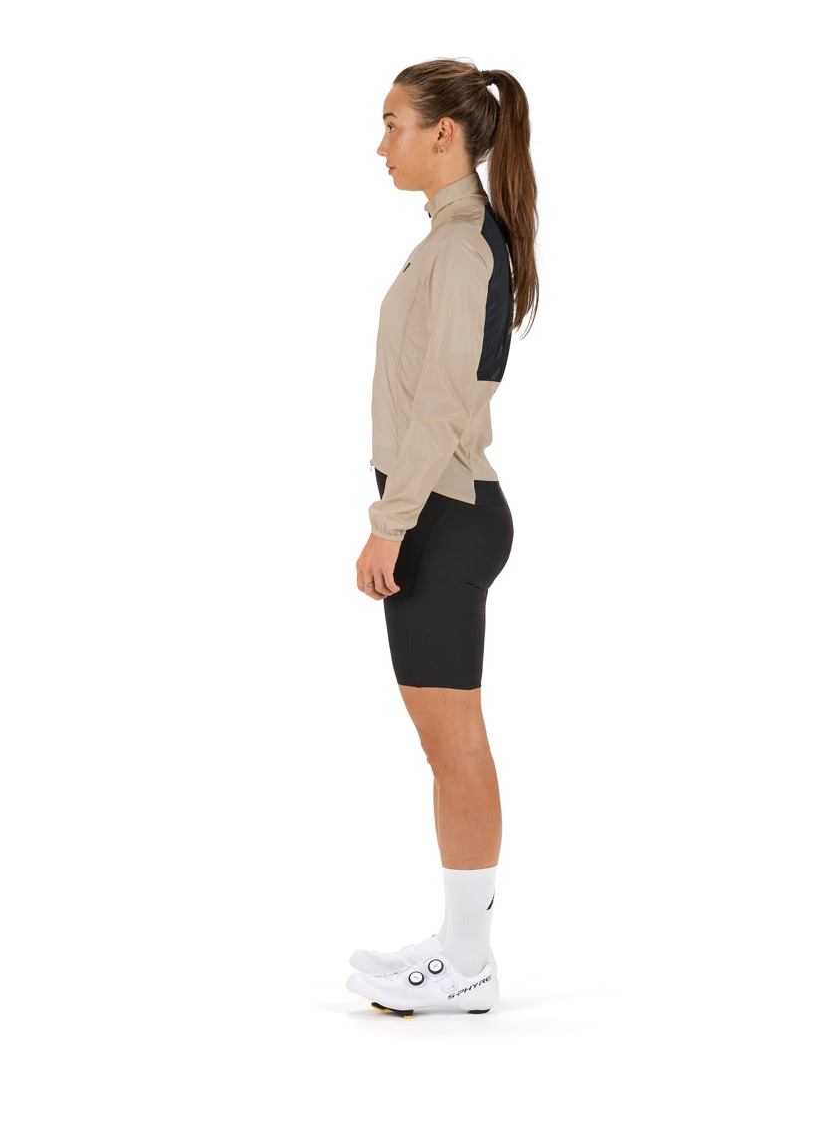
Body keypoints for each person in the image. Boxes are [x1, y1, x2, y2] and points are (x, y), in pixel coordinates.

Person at [346, 60, 539, 1016]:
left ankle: (468, 962)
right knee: (449, 744)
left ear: (443, 134)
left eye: (392, 124)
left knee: (453, 746)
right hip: (442, 511)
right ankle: (460, 947)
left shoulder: (462, 246)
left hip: (440, 516)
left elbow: (443, 402)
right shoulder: (453, 237)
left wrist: (391, 524)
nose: (379, 145)